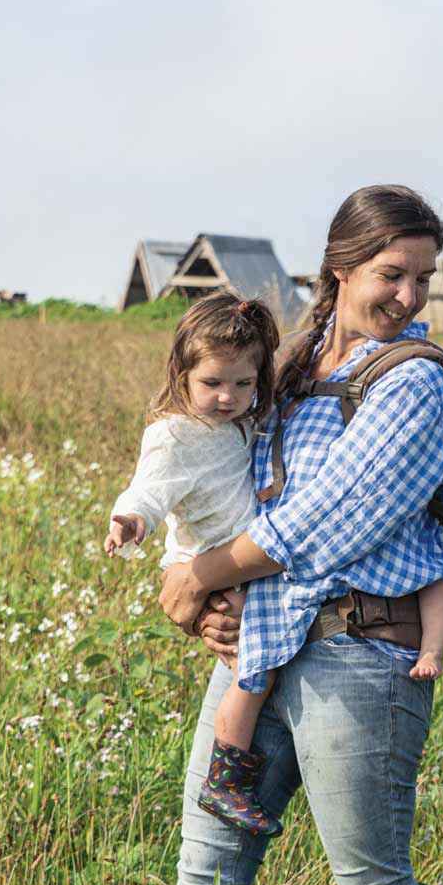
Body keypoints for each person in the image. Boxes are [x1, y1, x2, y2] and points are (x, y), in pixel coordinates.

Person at [157, 184, 443, 885]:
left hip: (359, 655)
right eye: (391, 273)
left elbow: (327, 521)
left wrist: (203, 577)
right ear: (340, 267)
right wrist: (191, 578)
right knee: (205, 881)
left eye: (422, 278)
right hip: (258, 646)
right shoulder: (286, 368)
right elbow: (222, 479)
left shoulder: (414, 377)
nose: (407, 294)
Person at [100, 293, 292, 836]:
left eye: (242, 384)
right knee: (255, 669)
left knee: (257, 664)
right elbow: (148, 489)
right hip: (209, 562)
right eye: (212, 383)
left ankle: (232, 772)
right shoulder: (173, 433)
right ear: (182, 375)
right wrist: (130, 520)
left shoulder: (241, 423)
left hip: (239, 558)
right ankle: (224, 779)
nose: (227, 396)